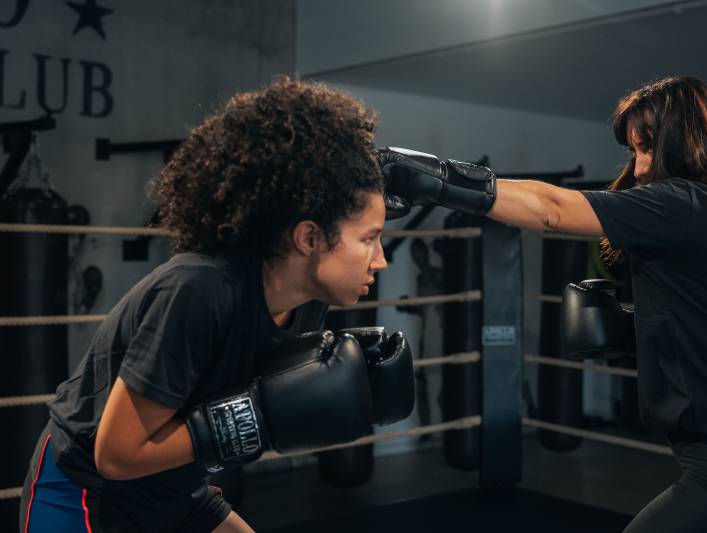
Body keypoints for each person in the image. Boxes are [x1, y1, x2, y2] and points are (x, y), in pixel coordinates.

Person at [380, 75, 707, 533]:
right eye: (633, 151)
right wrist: (643, 330)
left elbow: (551, 208)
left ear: (687, 141)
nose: (639, 168)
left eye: (648, 148)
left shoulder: (688, 205)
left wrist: (438, 180)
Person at [20, 76, 415, 533]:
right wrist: (258, 418)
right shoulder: (199, 290)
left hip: (178, 489)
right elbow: (115, 455)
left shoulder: (305, 304)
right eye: (369, 239)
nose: (381, 260)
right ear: (309, 238)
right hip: (88, 494)